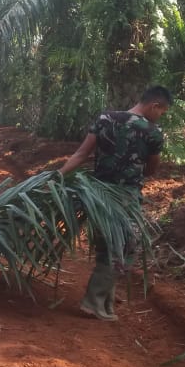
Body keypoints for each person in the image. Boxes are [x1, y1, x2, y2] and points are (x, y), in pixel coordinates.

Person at [57, 85, 173, 321]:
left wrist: (56, 176)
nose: (161, 116)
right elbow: (151, 169)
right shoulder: (152, 132)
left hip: (97, 193)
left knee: (108, 245)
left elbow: (80, 155)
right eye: (162, 112)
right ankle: (93, 302)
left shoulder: (104, 119)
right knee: (124, 248)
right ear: (155, 106)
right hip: (125, 198)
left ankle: (106, 304)